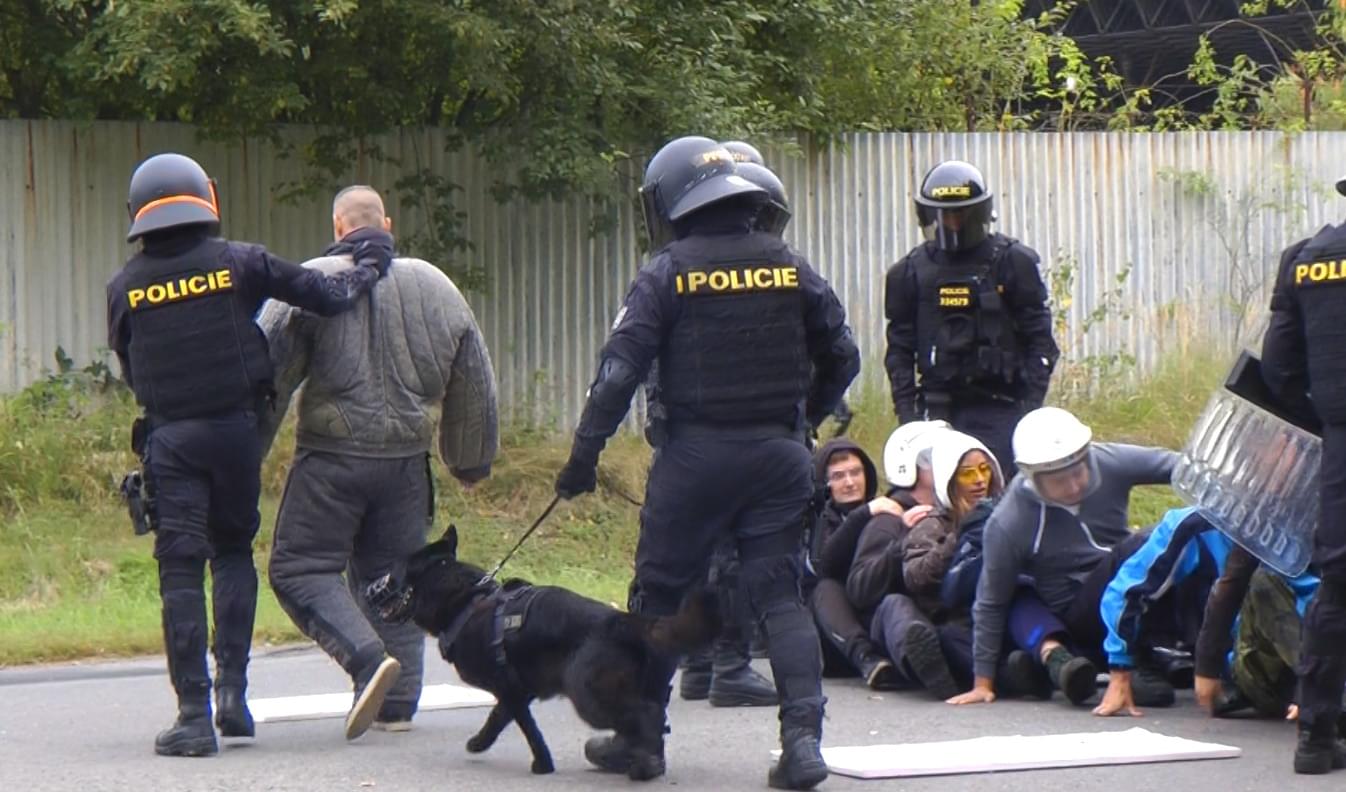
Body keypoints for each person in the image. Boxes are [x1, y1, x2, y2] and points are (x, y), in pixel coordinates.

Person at [553, 136, 860, 790]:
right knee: (781, 598)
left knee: (658, 599)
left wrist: (583, 458)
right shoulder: (790, 266)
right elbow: (844, 356)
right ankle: (802, 744)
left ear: (671, 201)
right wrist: (803, 419)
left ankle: (642, 744)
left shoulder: (666, 272)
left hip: (693, 459)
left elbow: (617, 376)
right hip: (778, 458)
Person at [106, 153, 390, 757]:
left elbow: (130, 368)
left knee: (181, 570)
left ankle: (193, 717)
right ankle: (233, 698)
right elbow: (328, 294)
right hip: (236, 434)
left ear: (139, 212)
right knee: (233, 552)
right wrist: (370, 261)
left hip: (172, 441)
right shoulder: (240, 261)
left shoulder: (124, 288)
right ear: (203, 200)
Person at [259, 186, 499, 740]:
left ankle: (367, 662)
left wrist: (243, 458)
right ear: (386, 224)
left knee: (299, 568)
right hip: (405, 466)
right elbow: (475, 377)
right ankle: (399, 702)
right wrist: (470, 460)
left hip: (332, 463)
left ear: (338, 226)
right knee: (395, 576)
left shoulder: (312, 282)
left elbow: (265, 375)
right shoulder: (435, 286)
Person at [948, 406, 1178, 707]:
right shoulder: (1008, 522)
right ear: (1033, 478)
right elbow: (992, 601)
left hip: (1131, 589)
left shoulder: (1107, 460)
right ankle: (1137, 659)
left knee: (1186, 535)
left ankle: (1207, 659)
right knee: (1146, 543)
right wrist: (982, 683)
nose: (1072, 487)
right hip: (1080, 610)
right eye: (1058, 480)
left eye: (1077, 473)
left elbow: (1179, 465)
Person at [883, 160, 1059, 476]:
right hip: (937, 409)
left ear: (978, 213)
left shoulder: (1012, 262)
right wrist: (909, 420)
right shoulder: (908, 273)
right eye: (944, 215)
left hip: (1001, 406)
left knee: (997, 494)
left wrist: (1029, 412)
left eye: (960, 214)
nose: (952, 223)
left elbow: (1041, 343)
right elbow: (899, 352)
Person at [1261, 195, 1346, 773]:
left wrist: (1329, 424)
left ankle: (1315, 737)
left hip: (1340, 443)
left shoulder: (1307, 259)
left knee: (1337, 586)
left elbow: (1279, 370)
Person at [807, 438, 899, 689]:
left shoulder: (888, 509)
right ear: (825, 483)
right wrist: (864, 514)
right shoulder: (817, 521)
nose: (849, 483)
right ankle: (868, 660)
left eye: (855, 473)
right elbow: (823, 565)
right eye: (838, 476)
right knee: (825, 588)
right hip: (837, 633)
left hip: (876, 610)